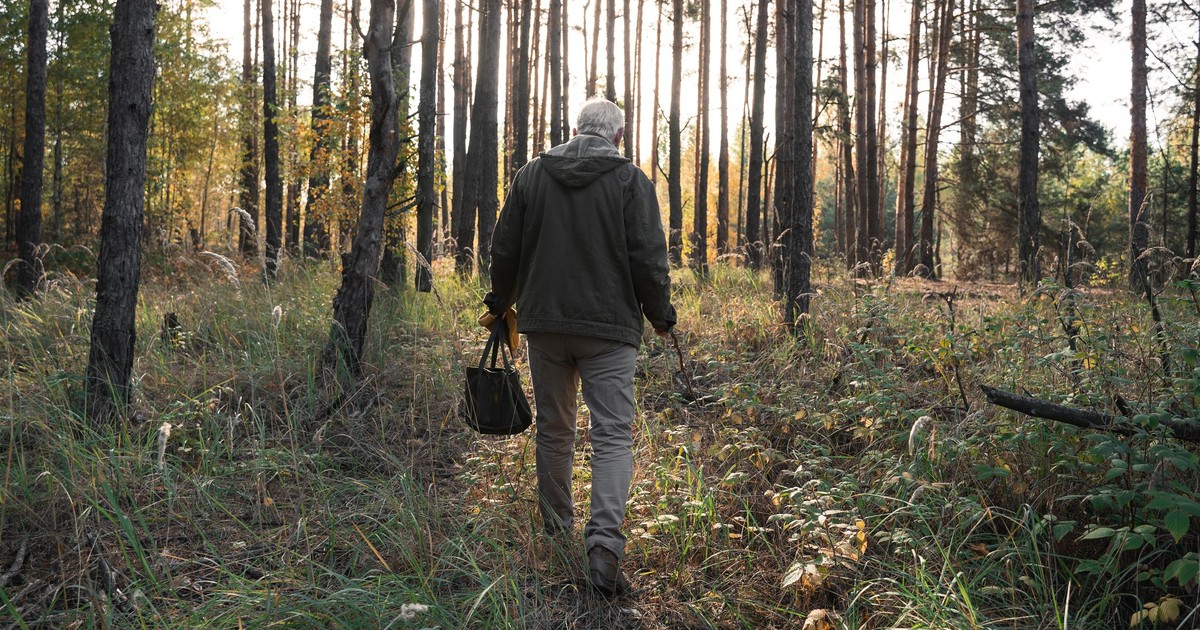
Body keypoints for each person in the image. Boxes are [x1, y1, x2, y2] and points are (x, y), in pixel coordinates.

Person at [480, 97, 676, 596]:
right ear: (618, 137)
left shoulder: (531, 175)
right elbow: (649, 259)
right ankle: (604, 547)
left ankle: (555, 534)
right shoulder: (630, 181)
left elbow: (505, 249)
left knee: (554, 430)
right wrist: (661, 317)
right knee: (611, 435)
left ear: (575, 131)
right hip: (609, 331)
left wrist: (499, 303)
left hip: (545, 326)